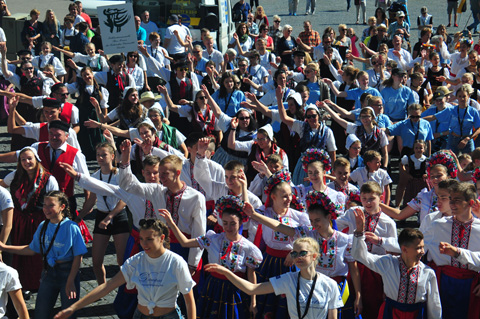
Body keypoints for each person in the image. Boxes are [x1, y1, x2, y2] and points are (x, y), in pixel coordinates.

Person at [245, 190, 363, 317]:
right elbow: (280, 227)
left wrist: (358, 295)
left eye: (317, 220)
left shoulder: (344, 240)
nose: (314, 224)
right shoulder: (309, 234)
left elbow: (353, 268)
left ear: (328, 217)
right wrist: (254, 215)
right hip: (312, 288)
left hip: (336, 290)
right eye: (311, 220)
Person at [54, 218, 196, 319]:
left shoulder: (176, 262)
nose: (144, 244)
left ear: (161, 238)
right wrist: (74, 307)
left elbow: (189, 300)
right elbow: (107, 287)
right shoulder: (136, 261)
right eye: (141, 239)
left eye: (149, 239)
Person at [160, 194, 262, 318]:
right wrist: (171, 223)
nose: (228, 227)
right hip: (213, 287)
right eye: (225, 223)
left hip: (235, 290)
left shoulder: (248, 248)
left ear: (240, 222)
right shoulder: (213, 239)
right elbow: (185, 243)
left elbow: (251, 275)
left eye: (232, 223)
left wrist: (253, 302)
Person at [205, 236, 344, 319]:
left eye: (302, 253)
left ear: (314, 256)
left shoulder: (330, 284)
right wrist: (226, 272)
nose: (298, 257)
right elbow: (252, 289)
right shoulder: (289, 279)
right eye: (294, 254)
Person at [0, 191, 87, 319]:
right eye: (44, 205)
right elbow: (32, 249)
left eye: (51, 205)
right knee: (41, 312)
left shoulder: (71, 227)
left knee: (69, 314)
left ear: (62, 207)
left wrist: (70, 281)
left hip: (67, 273)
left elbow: (78, 256)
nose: (46, 209)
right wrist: (5, 247)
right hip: (48, 273)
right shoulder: (43, 225)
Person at [352, 213, 441, 318]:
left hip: (416, 315)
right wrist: (359, 232)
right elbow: (360, 256)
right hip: (391, 313)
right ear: (404, 249)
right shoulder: (388, 264)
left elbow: (434, 304)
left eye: (423, 247)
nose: (422, 251)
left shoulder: (428, 273)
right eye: (418, 248)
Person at [337, 181, 401, 319]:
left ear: (381, 198)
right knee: (351, 304)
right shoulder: (353, 213)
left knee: (373, 307)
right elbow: (334, 226)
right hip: (354, 267)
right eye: (364, 198)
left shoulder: (388, 222)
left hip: (376, 270)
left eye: (372, 198)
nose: (368, 202)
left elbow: (394, 251)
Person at [0, 145, 58, 292]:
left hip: (38, 222)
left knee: (35, 255)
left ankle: (37, 284)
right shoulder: (14, 175)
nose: (27, 162)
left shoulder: (48, 179)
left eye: (29, 159)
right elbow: (2, 184)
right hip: (18, 221)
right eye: (23, 159)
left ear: (36, 159)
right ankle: (20, 285)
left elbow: (56, 201)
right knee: (17, 254)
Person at [423, 182, 480, 319]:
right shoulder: (438, 225)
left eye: (457, 201)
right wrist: (381, 241)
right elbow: (419, 245)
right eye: (451, 200)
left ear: (471, 202)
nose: (452, 204)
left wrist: (457, 253)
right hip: (443, 281)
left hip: (470, 285)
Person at [76, 142, 130, 285]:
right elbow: (91, 200)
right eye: (98, 155)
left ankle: (125, 289)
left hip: (119, 217)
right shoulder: (94, 176)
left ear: (112, 156)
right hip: (101, 216)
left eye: (104, 154)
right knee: (96, 260)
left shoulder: (120, 175)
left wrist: (110, 217)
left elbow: (124, 200)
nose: (100, 158)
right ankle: (101, 287)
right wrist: (79, 217)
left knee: (121, 260)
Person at [379, 149, 456, 224]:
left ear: (448, 176)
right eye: (432, 176)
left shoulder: (455, 196)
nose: (435, 179)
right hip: (427, 236)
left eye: (439, 175)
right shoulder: (424, 196)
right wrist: (377, 203)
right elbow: (400, 215)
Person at [396, 139, 428, 208]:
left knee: (422, 197)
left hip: (422, 182)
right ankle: (405, 212)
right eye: (416, 148)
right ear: (414, 149)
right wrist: (405, 174)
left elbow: (430, 169)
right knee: (409, 196)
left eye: (421, 148)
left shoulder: (426, 159)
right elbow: (401, 164)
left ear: (424, 149)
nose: (418, 150)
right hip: (412, 181)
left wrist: (426, 174)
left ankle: (421, 211)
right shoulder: (409, 158)